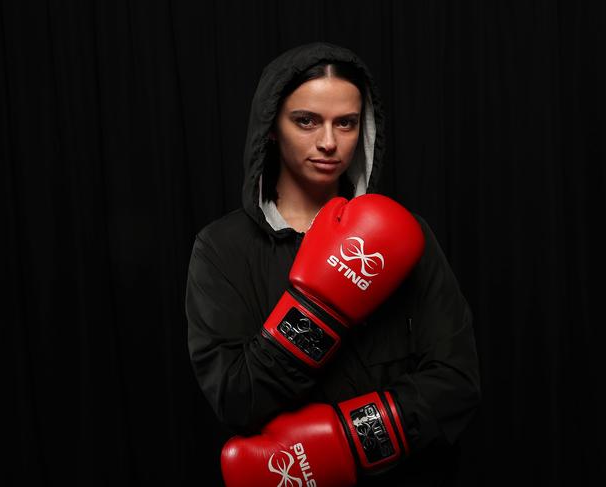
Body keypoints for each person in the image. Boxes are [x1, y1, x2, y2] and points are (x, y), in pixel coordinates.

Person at [185, 42, 481, 486]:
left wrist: (345, 441)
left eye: (346, 123)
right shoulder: (222, 248)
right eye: (306, 121)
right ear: (271, 127)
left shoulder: (404, 236)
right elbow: (234, 398)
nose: (328, 142)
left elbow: (457, 381)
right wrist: (318, 308)